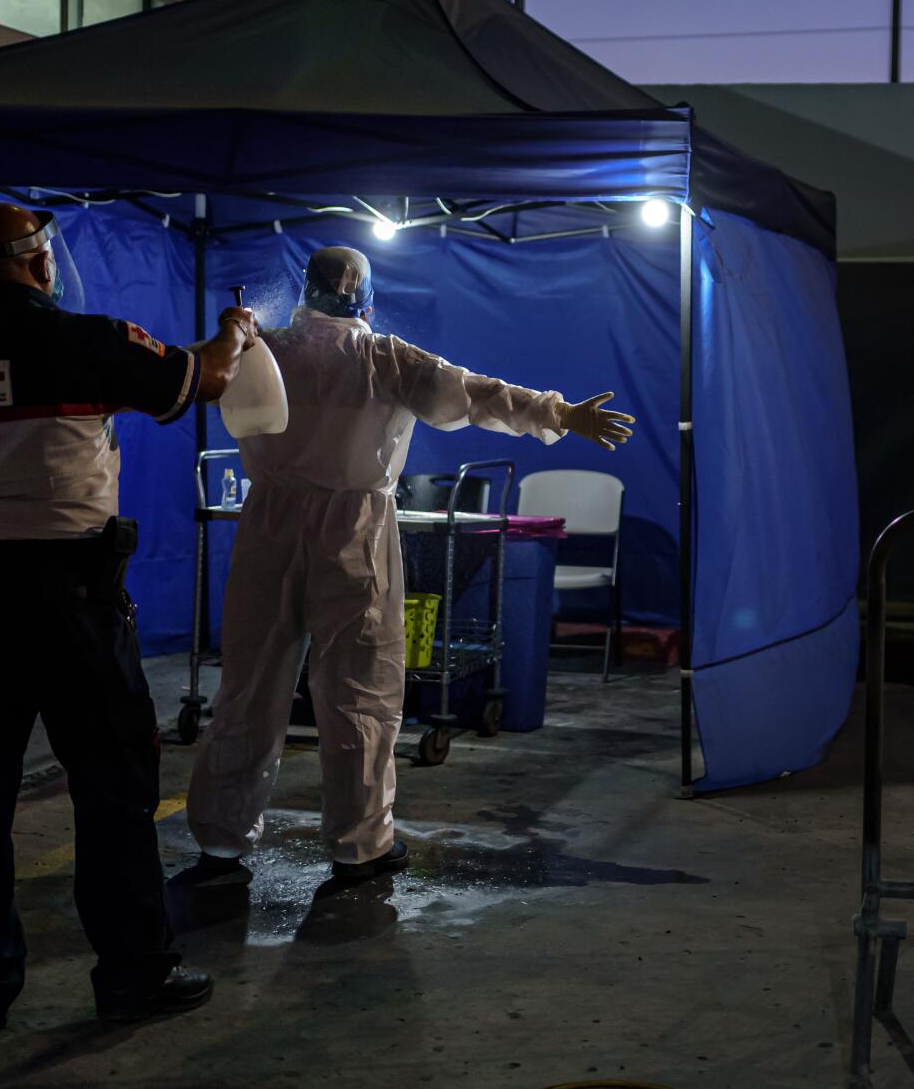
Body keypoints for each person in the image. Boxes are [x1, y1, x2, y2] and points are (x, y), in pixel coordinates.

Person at [0, 202, 257, 1034]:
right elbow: (205, 378)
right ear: (40, 265)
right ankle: (134, 974)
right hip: (75, 608)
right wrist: (237, 332)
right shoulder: (93, 343)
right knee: (112, 792)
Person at [182, 246, 633, 885]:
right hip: (354, 532)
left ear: (304, 292)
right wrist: (559, 413)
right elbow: (477, 395)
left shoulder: (263, 347)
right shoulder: (382, 357)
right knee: (360, 691)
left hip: (269, 526)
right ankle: (357, 844)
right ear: (367, 298)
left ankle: (222, 842)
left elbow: (194, 375)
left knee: (249, 686)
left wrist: (234, 333)